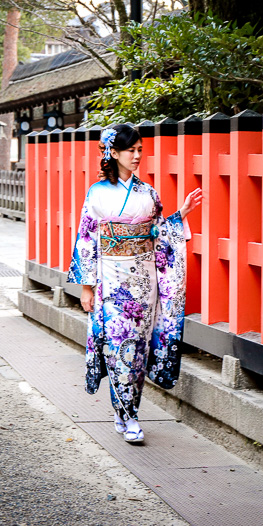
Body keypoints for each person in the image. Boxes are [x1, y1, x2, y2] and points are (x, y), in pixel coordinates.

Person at [67, 124, 202, 444]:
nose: (138, 155)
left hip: (144, 283)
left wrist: (180, 214)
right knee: (116, 344)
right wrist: (87, 285)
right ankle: (127, 415)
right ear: (113, 153)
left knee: (138, 349)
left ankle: (127, 410)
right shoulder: (97, 194)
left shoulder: (149, 194)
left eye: (140, 149)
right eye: (131, 150)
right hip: (112, 280)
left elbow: (158, 235)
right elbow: (87, 239)